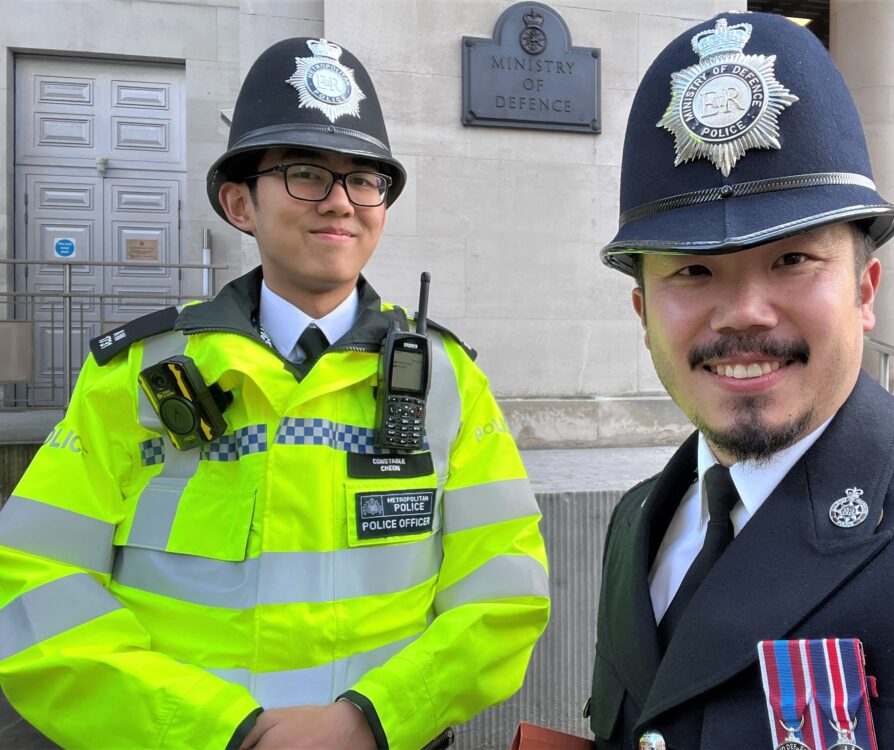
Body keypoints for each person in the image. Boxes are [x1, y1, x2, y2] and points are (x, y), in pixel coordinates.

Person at [0, 37, 549, 750]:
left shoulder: (448, 381)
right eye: (305, 174)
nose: (342, 204)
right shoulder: (132, 380)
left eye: (364, 179)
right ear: (239, 202)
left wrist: (371, 718)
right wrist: (217, 730)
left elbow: (503, 589)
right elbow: (34, 582)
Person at [588, 11, 894, 750]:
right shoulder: (638, 523)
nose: (744, 314)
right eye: (693, 271)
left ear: (865, 289)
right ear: (642, 312)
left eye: (792, 260)